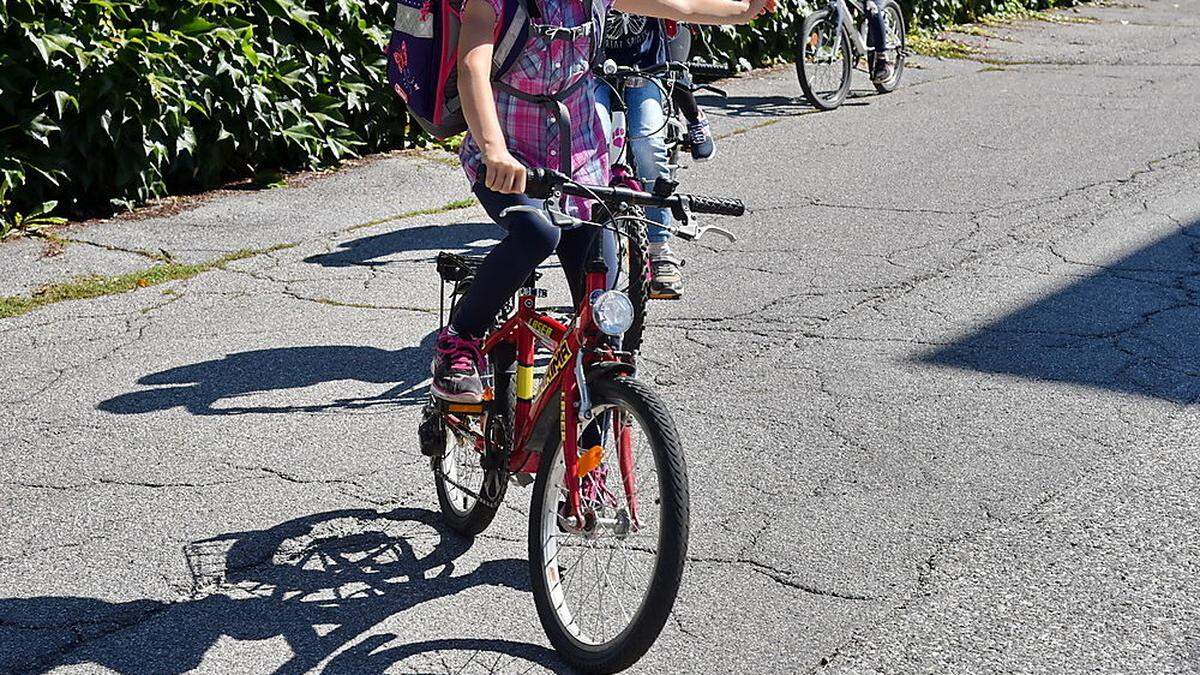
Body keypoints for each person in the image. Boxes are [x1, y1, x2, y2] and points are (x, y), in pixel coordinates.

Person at [431, 0, 774, 402]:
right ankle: (460, 340)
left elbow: (680, 5)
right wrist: (494, 150)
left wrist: (744, 9)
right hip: (510, 160)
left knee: (603, 330)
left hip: (581, 162)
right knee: (537, 235)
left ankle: (584, 450)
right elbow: (472, 67)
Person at [594, 15, 711, 300]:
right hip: (592, 70)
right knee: (592, 143)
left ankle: (660, 249)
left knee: (648, 143)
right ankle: (589, 250)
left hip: (645, 67)